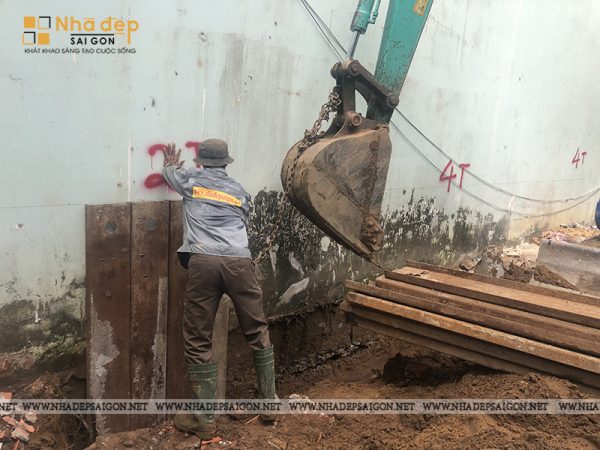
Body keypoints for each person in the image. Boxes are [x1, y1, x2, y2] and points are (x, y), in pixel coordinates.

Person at [162, 139, 277, 439]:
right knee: (257, 330)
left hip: (204, 263)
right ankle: (269, 405)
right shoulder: (240, 192)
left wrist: (170, 163)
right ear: (227, 163)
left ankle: (204, 420)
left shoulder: (190, 180)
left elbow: (170, 174)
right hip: (240, 263)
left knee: (198, 338)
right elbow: (244, 216)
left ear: (200, 161)